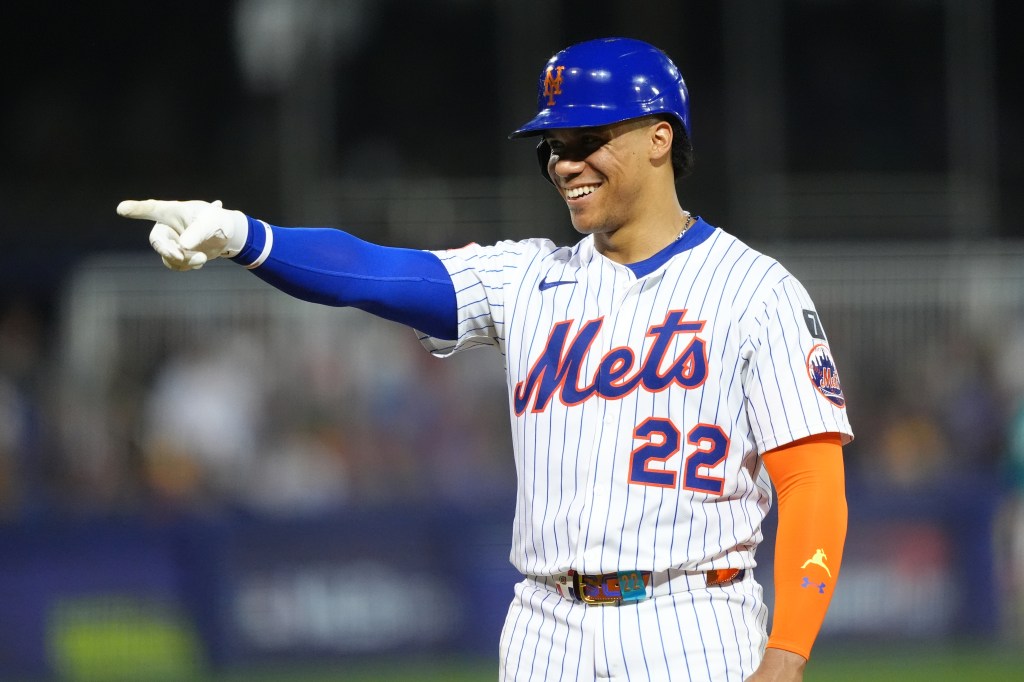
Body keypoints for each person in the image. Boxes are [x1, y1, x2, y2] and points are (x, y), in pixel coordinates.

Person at [118, 37, 851, 682]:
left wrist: (786, 653)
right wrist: (242, 234)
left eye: (585, 138)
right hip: (545, 626)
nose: (565, 163)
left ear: (660, 138)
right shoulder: (528, 277)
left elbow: (812, 482)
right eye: (552, 148)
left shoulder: (756, 292)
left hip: (694, 619)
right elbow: (376, 272)